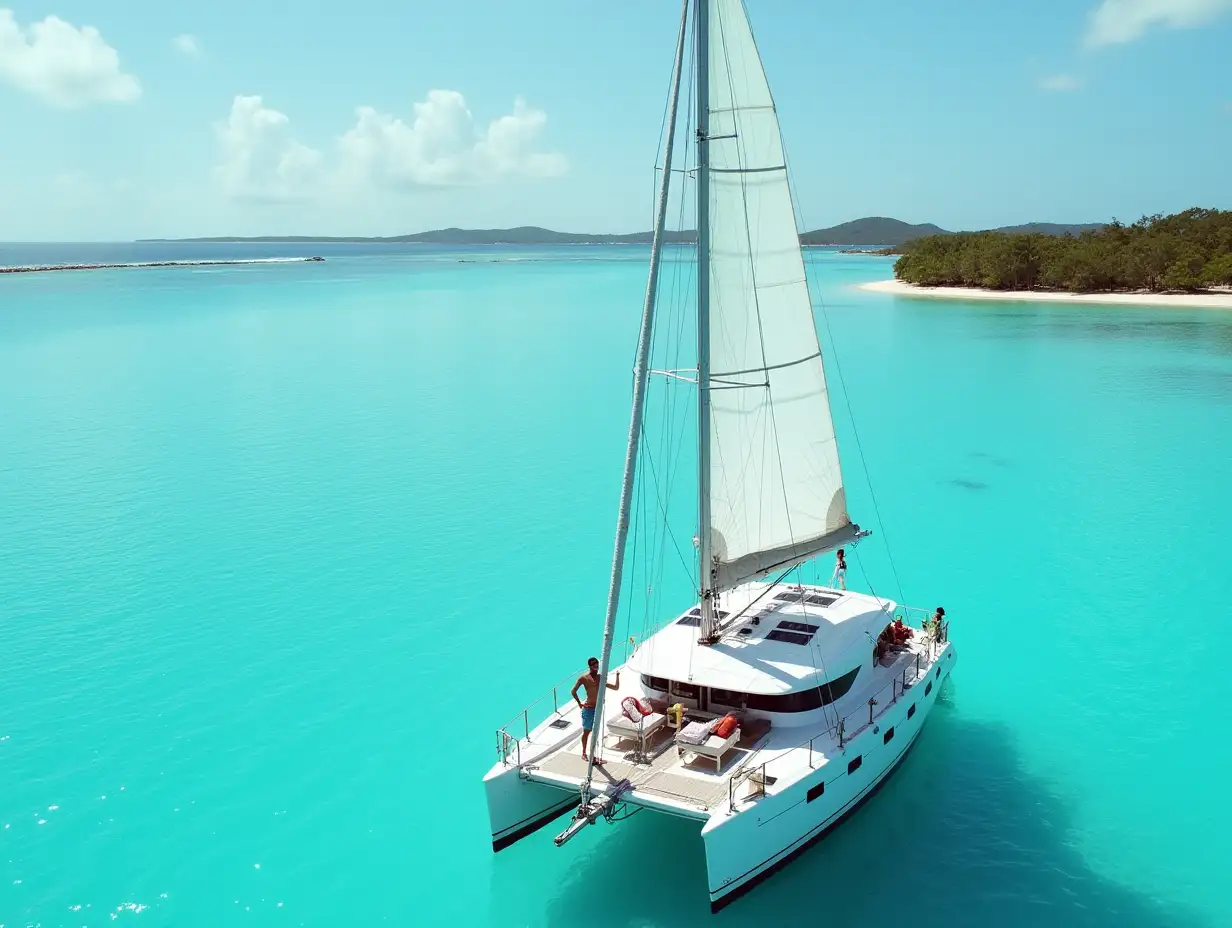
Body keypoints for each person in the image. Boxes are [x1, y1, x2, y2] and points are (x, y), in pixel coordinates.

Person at [571, 657, 621, 762]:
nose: (596, 665)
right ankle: (584, 753)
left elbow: (615, 687)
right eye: (593, 664)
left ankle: (593, 755)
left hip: (597, 709)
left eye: (597, 663)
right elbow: (573, 691)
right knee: (586, 732)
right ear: (589, 666)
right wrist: (579, 703)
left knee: (595, 732)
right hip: (588, 709)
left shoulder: (600, 678)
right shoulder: (584, 678)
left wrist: (617, 676)